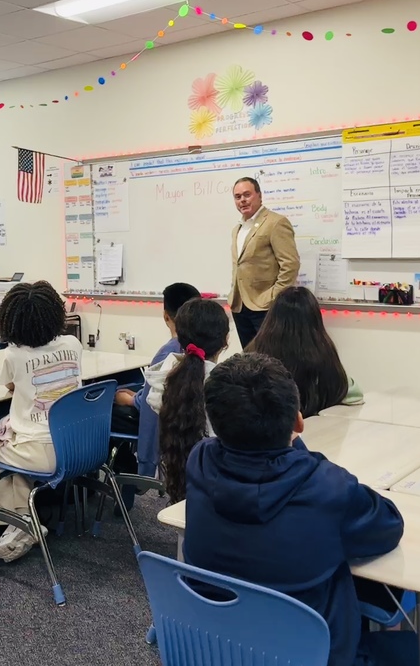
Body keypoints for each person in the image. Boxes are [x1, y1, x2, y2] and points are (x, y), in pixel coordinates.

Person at [185, 352, 420, 666]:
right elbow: (389, 525)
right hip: (314, 656)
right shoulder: (329, 488)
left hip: (221, 648)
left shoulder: (199, 461)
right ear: (298, 420)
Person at [0, 281, 83, 562]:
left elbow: (12, 386)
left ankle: (13, 523)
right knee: (11, 441)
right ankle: (24, 516)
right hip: (77, 447)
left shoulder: (14, 354)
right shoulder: (73, 344)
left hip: (41, 453)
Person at [112, 282, 201, 477]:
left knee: (104, 413)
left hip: (160, 423)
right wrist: (138, 397)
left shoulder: (167, 353)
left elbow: (152, 404)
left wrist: (132, 400)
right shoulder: (201, 347)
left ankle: (122, 474)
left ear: (166, 316)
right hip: (183, 423)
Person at [146, 298, 231, 502]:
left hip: (180, 486)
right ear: (225, 340)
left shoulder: (163, 381)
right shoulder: (230, 388)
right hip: (224, 491)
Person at [246, 286, 363, 418]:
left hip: (265, 426)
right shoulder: (323, 352)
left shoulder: (254, 351)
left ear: (271, 316)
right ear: (315, 319)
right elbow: (354, 394)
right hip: (314, 427)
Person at [229, 177, 300, 348]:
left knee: (270, 357)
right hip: (240, 306)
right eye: (238, 197)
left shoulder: (276, 222)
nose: (242, 200)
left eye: (247, 195)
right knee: (249, 358)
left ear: (259, 195)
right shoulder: (237, 228)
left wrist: (273, 297)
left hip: (265, 307)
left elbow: (290, 264)